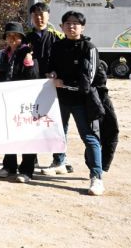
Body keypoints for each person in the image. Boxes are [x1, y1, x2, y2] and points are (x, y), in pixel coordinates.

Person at [49, 11, 106, 196]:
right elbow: (51, 67)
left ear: (83, 27)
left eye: (75, 23)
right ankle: (59, 162)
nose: (71, 26)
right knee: (59, 133)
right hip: (60, 100)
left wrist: (63, 83)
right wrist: (52, 75)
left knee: (89, 138)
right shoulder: (57, 46)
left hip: (83, 101)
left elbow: (87, 81)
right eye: (67, 23)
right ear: (61, 26)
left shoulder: (89, 48)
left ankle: (96, 177)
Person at [25, 2, 71, 176]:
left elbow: (64, 61)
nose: (39, 17)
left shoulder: (57, 36)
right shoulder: (26, 38)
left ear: (48, 16)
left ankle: (60, 159)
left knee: (56, 122)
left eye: (42, 14)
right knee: (32, 122)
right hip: (31, 88)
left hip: (53, 88)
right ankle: (32, 158)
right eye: (35, 14)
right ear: (31, 17)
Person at [0, 22, 39, 183]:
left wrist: (29, 62)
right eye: (9, 36)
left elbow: (34, 78)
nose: (12, 39)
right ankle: (9, 166)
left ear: (21, 38)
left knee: (26, 136)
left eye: (16, 36)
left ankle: (27, 169)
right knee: (9, 134)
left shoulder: (28, 52)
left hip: (25, 101)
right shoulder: (3, 54)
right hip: (7, 99)